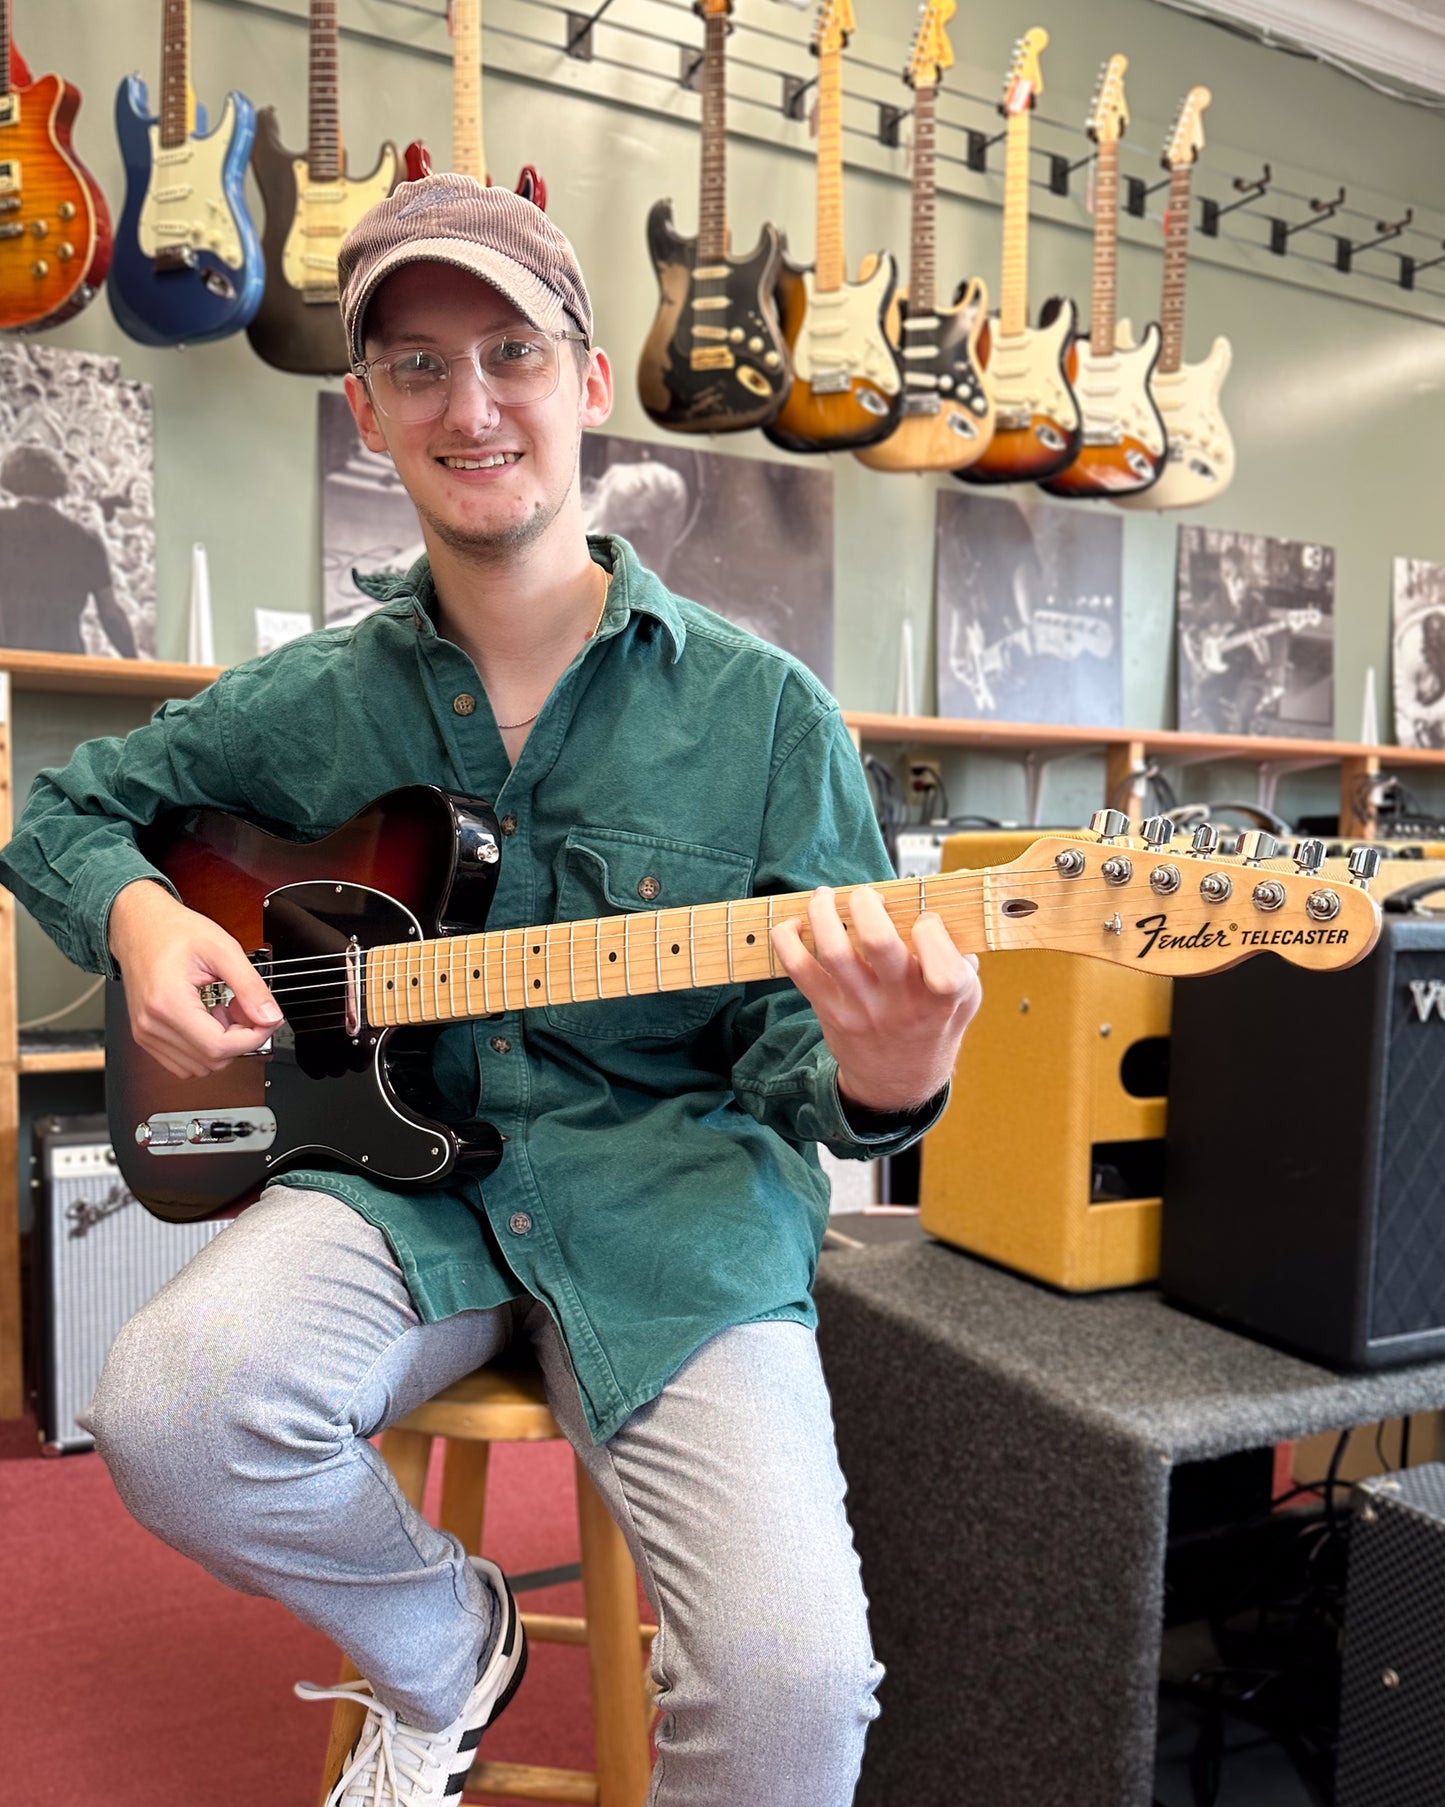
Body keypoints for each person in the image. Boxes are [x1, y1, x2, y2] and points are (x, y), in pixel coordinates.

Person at [0, 176, 982, 1807]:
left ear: (590, 381)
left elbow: (805, 1048)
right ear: (364, 411)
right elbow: (61, 813)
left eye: (512, 351)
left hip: (675, 1217)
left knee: (801, 1693)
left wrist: (882, 1076)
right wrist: (144, 924)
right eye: (418, 366)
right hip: (396, 1196)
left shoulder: (767, 714)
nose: (472, 403)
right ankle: (447, 1638)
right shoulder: (305, 702)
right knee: (167, 1407)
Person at [0, 444, 140, 657]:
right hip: (64, 664)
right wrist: (135, 663)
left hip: (7, 663)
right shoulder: (85, 539)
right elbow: (110, 614)